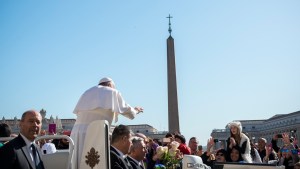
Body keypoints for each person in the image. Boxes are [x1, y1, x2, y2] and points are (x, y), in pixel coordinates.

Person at [71, 77, 143, 169]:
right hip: (95, 134)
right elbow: (128, 112)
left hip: (76, 134)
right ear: (110, 85)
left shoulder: (87, 92)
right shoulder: (112, 92)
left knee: (76, 162)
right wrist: (136, 110)